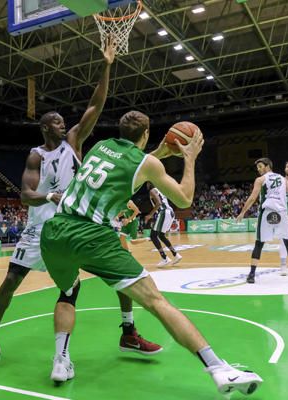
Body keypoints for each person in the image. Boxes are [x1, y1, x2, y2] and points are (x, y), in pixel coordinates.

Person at [0, 36, 162, 366]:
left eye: (63, 121)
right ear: (45, 128)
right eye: (56, 121)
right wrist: (49, 195)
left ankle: (128, 332)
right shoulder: (36, 157)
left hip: (77, 226)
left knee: (120, 270)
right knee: (9, 284)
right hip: (38, 230)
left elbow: (95, 106)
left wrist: (107, 65)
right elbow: (25, 196)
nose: (63, 124)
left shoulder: (74, 142)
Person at [41, 111, 262, 395]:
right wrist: (189, 158)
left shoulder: (100, 147)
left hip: (55, 232)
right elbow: (184, 197)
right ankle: (218, 368)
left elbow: (128, 166)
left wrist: (158, 153)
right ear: (146, 134)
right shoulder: (147, 163)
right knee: (156, 302)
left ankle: (61, 361)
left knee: (68, 293)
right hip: (92, 236)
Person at [236, 158, 288, 284]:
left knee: (259, 243)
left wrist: (242, 212)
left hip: (267, 212)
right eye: (257, 167)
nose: (258, 169)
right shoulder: (283, 179)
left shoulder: (260, 180)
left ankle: (252, 275)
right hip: (282, 213)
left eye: (260, 166)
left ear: (267, 166)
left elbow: (253, 198)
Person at [145, 183, 181, 266]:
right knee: (161, 235)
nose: (146, 185)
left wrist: (150, 215)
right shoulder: (160, 190)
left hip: (164, 212)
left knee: (153, 236)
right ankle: (176, 255)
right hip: (170, 212)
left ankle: (165, 258)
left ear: (150, 183)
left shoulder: (152, 190)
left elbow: (158, 203)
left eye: (147, 183)